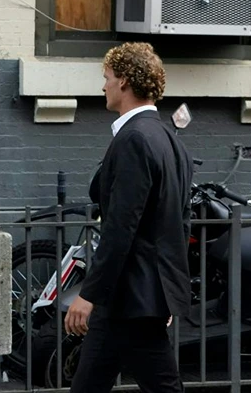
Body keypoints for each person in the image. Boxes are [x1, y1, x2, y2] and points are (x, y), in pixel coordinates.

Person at [64, 42, 193, 393]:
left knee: (162, 386)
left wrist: (88, 294)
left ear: (123, 81)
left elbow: (121, 227)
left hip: (130, 297)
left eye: (106, 77)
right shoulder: (168, 138)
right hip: (131, 297)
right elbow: (180, 222)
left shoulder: (135, 138)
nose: (102, 85)